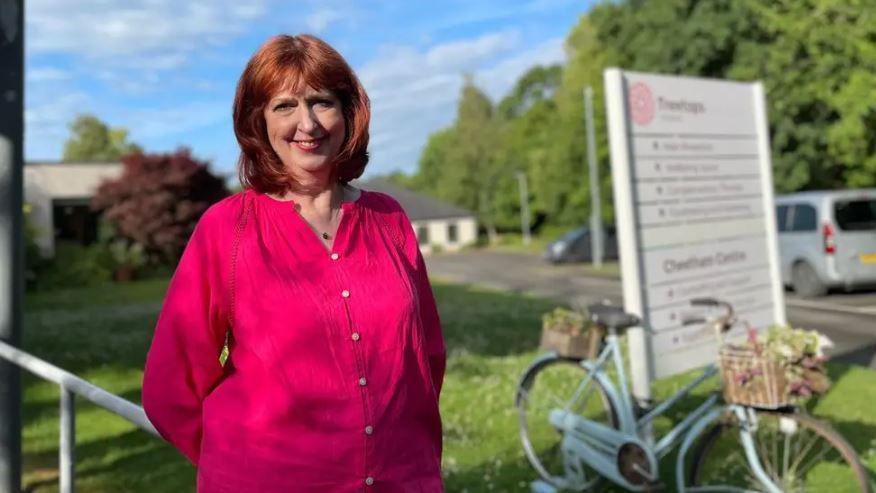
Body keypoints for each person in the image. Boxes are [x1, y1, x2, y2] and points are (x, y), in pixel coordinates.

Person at [142, 34, 446, 493]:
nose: (307, 123)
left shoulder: (389, 218)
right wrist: (239, 460)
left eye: (322, 102)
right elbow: (172, 385)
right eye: (284, 106)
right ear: (258, 121)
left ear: (347, 113)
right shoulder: (227, 229)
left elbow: (426, 358)